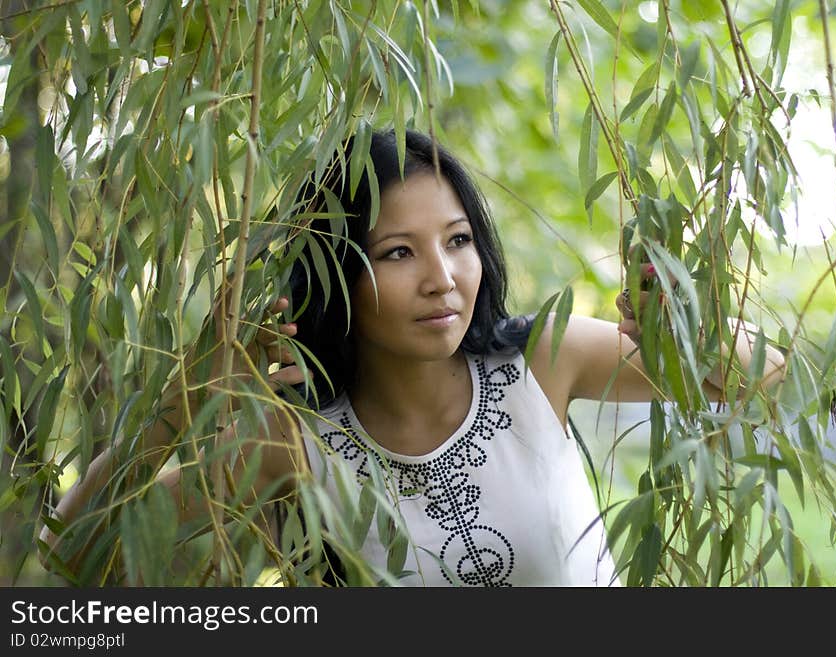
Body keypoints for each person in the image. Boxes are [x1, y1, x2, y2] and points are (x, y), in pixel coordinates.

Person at [39, 128, 784, 587]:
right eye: (398, 252)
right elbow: (74, 547)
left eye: (458, 241)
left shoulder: (541, 360)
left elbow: (772, 381)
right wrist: (194, 387)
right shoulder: (293, 444)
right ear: (332, 275)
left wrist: (693, 332)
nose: (444, 277)